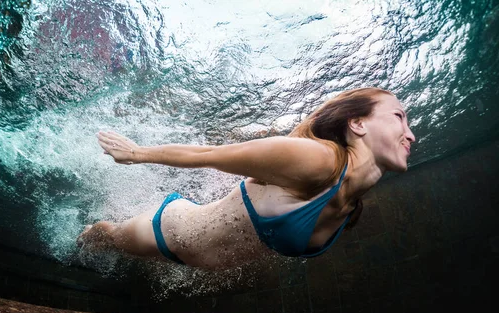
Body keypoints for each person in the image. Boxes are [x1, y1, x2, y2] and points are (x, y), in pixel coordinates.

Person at [77, 87, 416, 269]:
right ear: (357, 123)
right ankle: (80, 238)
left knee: (122, 255)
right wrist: (135, 154)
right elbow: (207, 155)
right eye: (399, 117)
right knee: (102, 238)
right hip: (167, 233)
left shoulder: (352, 206)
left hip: (189, 258)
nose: (410, 134)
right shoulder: (317, 160)